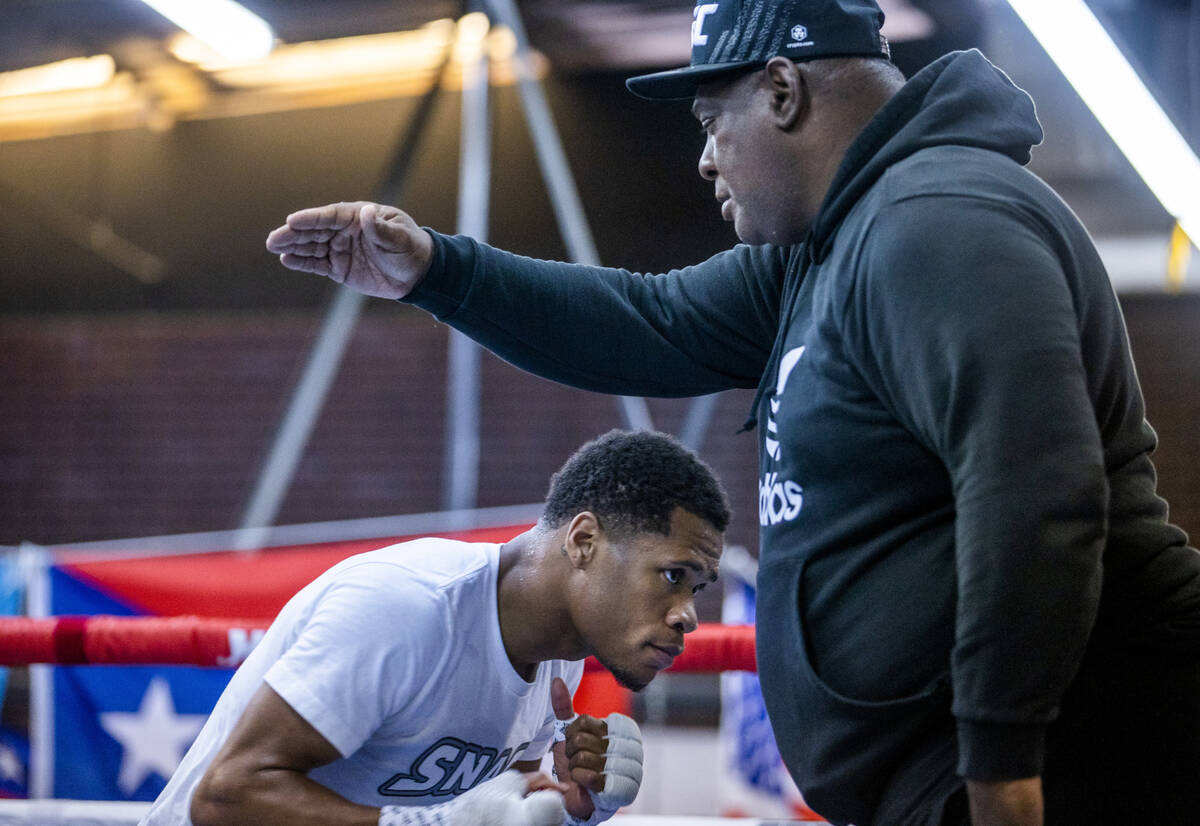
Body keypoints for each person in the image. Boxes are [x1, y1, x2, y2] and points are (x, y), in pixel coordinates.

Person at [265, 1, 1200, 823]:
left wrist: (1003, 773)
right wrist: (439, 270)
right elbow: (647, 321)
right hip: (963, 777)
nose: (706, 159)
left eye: (715, 121)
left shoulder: (940, 223)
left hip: (1074, 767)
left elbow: (1039, 502)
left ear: (784, 92)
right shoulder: (820, 253)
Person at [141, 429, 730, 826]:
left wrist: (573, 809)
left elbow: (495, 812)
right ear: (583, 542)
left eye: (696, 585)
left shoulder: (559, 656)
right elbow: (226, 795)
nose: (688, 614)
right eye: (673, 574)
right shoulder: (406, 606)